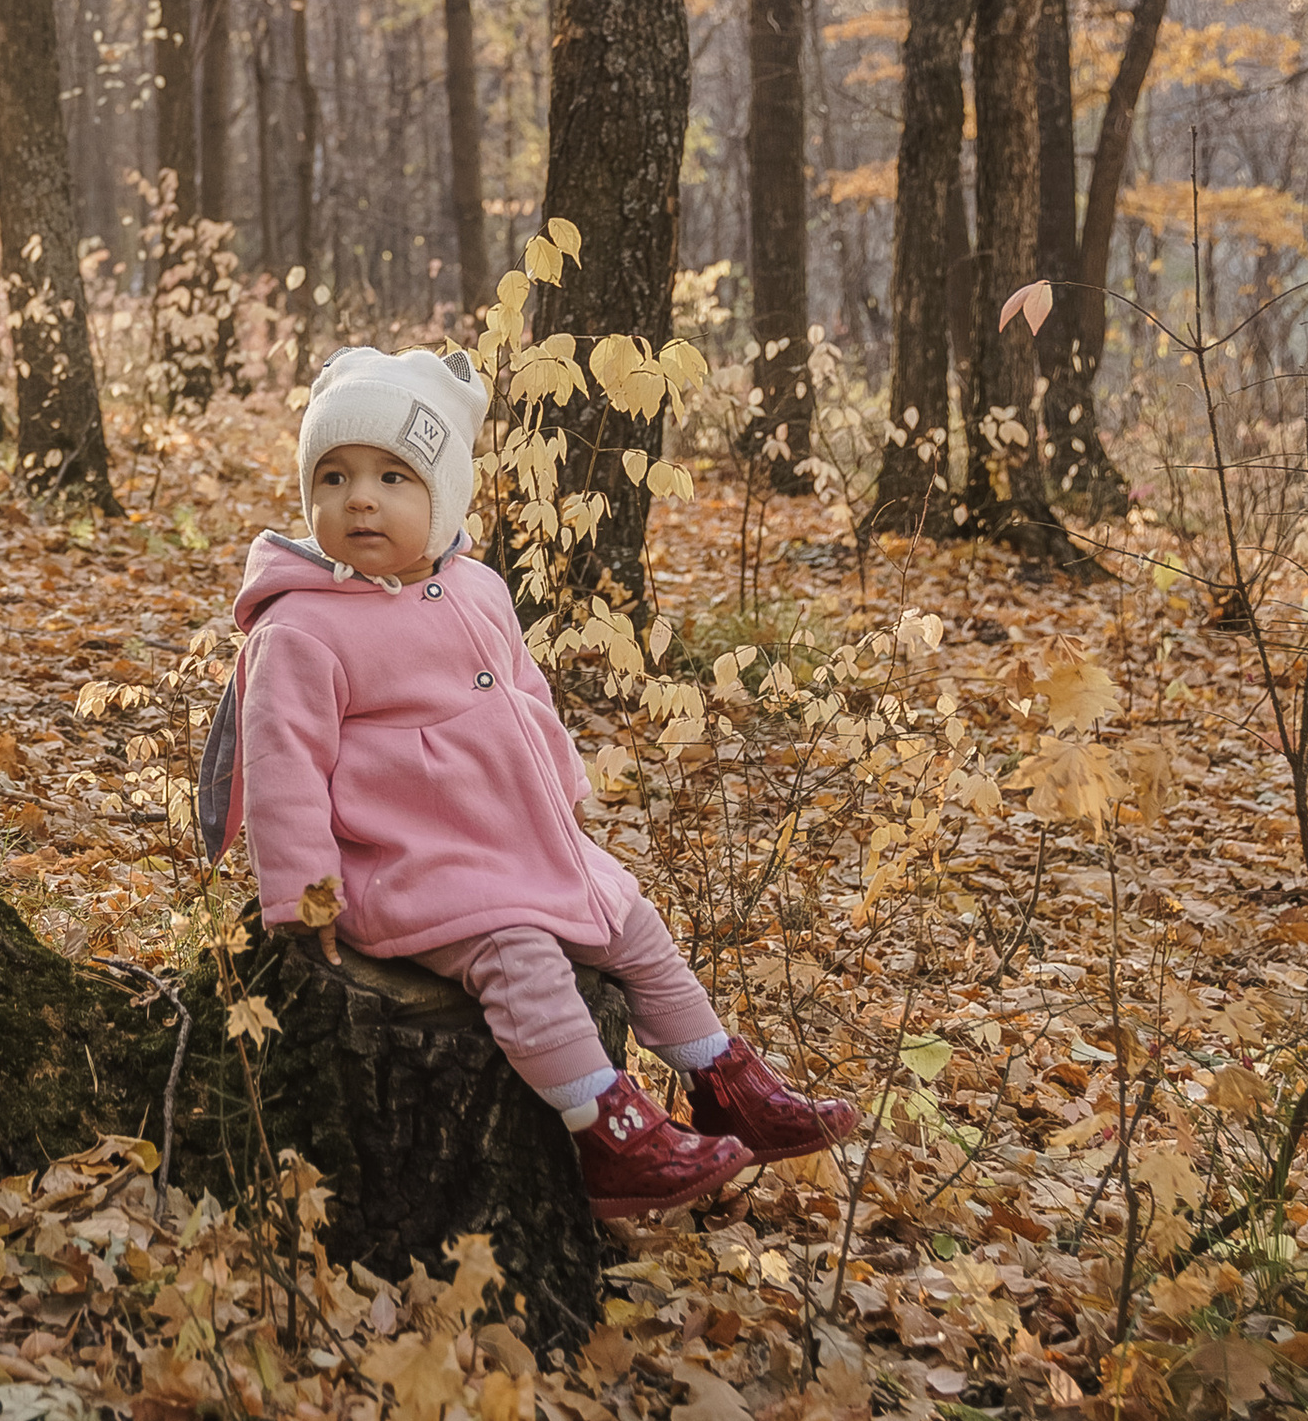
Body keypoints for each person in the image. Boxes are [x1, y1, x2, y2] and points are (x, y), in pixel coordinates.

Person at [230, 343, 856, 1218]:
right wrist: (304, 896)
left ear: (443, 498)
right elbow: (282, 769)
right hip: (415, 867)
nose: (360, 497)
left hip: (520, 838)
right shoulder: (303, 629)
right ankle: (608, 1135)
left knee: (633, 925)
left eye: (393, 477)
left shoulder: (478, 585)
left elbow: (527, 691)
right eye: (333, 477)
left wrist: (561, 793)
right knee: (522, 959)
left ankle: (723, 1079)